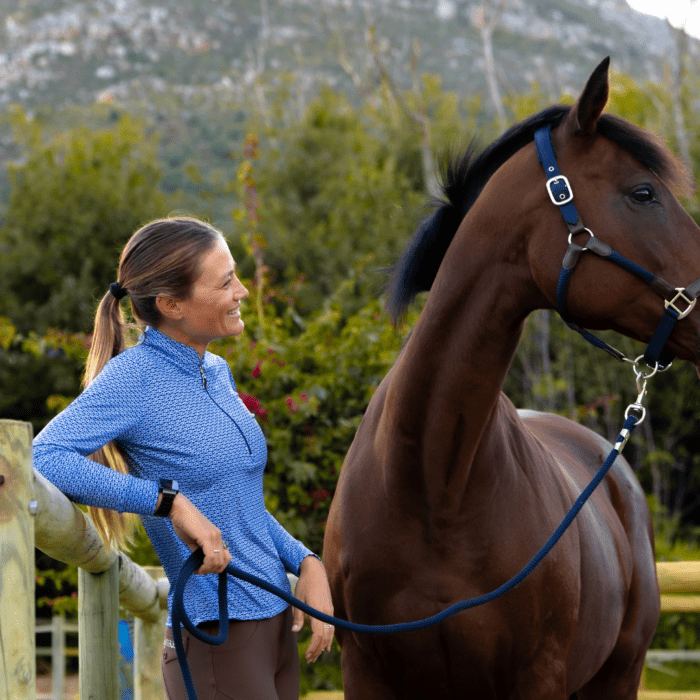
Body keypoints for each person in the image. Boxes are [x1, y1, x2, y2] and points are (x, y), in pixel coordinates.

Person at [33, 217, 335, 700]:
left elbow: (240, 503)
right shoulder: (134, 377)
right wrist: (167, 502)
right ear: (172, 305)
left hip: (273, 625)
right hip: (218, 632)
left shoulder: (217, 371)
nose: (241, 291)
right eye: (225, 282)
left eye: (235, 274)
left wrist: (305, 560)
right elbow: (45, 457)